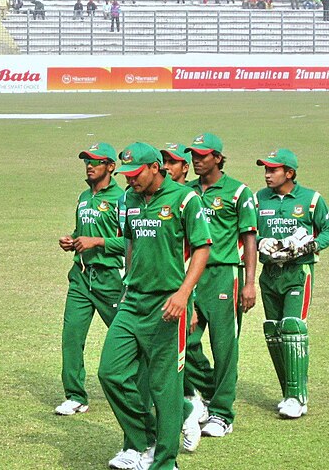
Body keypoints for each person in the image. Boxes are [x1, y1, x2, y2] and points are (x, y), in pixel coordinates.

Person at [98, 143, 211, 470]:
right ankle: (144, 439)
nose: (130, 181)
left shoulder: (185, 200)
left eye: (135, 174)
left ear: (154, 168)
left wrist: (183, 295)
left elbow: (202, 249)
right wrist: (128, 279)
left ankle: (164, 462)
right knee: (110, 372)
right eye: (126, 175)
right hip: (132, 300)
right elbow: (131, 241)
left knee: (164, 387)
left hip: (167, 305)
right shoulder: (128, 200)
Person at [254, 149, 329, 420]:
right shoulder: (258, 199)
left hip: (298, 272)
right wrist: (259, 243)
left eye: (273, 170)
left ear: (289, 173)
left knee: (292, 327)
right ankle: (287, 393)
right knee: (274, 333)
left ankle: (297, 397)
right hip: (269, 273)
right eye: (265, 170)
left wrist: (309, 245)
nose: (267, 174)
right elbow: (248, 231)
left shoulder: (311, 199)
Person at [184, 134, 257, 439]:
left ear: (217, 157)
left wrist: (250, 283)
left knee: (224, 347)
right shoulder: (185, 193)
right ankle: (214, 390)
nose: (196, 161)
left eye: (202, 156)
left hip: (225, 273)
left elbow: (250, 238)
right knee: (182, 340)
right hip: (190, 276)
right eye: (193, 156)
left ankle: (223, 414)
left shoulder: (238, 192)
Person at [55, 143, 125, 416]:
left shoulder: (123, 198)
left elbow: (131, 241)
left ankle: (144, 387)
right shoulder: (84, 196)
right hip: (82, 278)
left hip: (112, 279)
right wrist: (72, 241)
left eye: (96, 161)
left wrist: (97, 241)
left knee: (126, 337)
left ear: (111, 167)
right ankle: (75, 395)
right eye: (86, 160)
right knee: (71, 335)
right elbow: (81, 231)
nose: (89, 165)